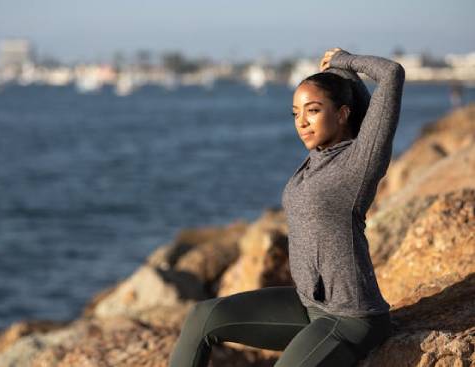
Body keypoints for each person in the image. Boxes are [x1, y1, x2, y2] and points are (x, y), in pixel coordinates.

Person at [168, 47, 405, 367]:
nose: (302, 122)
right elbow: (352, 98)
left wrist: (343, 61)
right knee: (202, 316)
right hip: (306, 306)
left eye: (313, 110)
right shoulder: (318, 157)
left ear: (342, 114)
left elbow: (391, 74)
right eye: (296, 113)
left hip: (349, 316)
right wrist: (338, 74)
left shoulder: (357, 163)